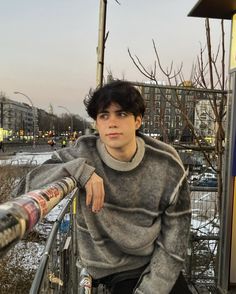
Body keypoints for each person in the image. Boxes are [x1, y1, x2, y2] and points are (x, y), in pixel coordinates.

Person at [15, 80, 191, 293]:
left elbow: (175, 239)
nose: (112, 122)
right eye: (104, 115)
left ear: (138, 121)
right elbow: (25, 189)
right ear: (97, 124)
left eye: (122, 114)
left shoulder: (166, 163)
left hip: (154, 262)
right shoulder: (83, 152)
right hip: (109, 273)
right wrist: (80, 171)